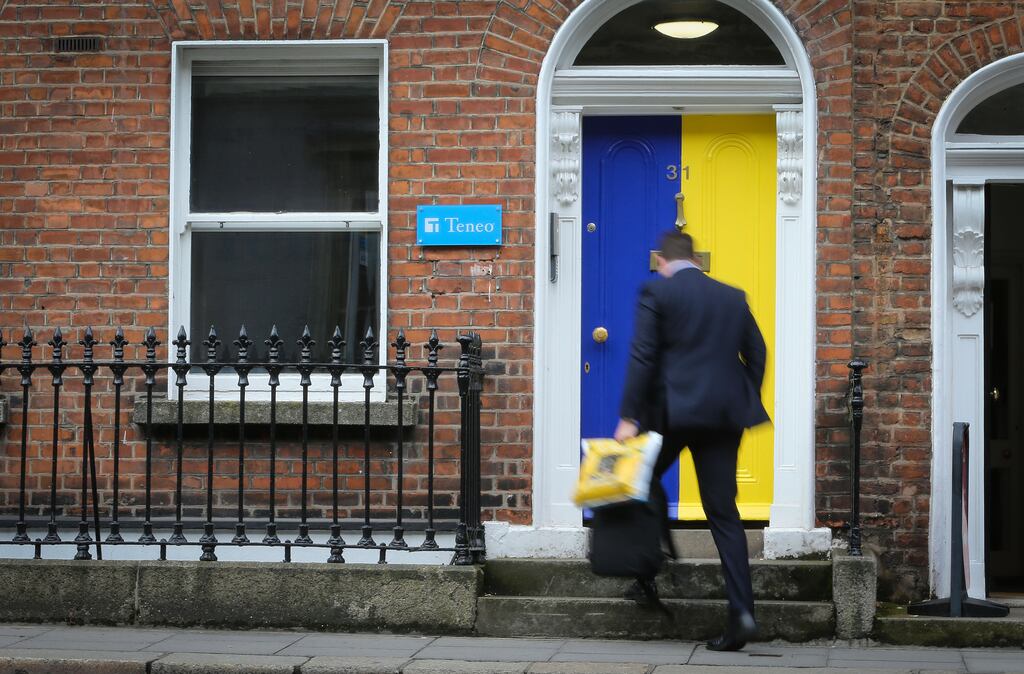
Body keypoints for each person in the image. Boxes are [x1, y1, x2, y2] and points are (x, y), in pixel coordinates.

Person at [614, 228, 769, 652]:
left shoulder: (657, 292)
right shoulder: (731, 296)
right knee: (724, 514)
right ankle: (742, 614)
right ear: (697, 261)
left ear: (663, 262)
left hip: (672, 414)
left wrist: (629, 415)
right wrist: (741, 395)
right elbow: (757, 352)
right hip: (723, 416)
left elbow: (643, 354)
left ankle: (652, 565)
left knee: (641, 481)